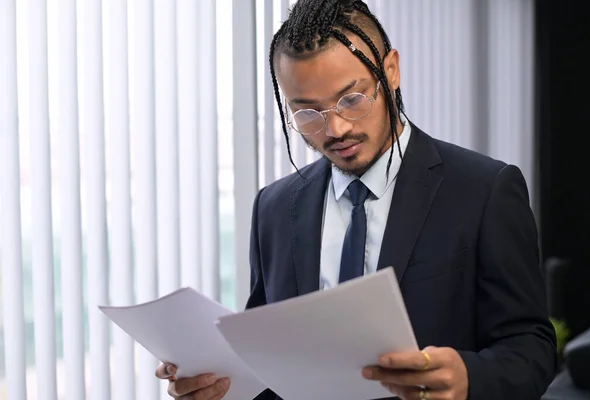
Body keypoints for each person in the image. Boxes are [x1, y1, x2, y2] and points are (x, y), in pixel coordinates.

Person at [155, 0, 557, 399]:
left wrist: (470, 377)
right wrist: (219, 386)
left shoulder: (484, 190)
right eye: (307, 113)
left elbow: (532, 350)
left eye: (351, 99)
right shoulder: (273, 209)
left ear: (392, 71)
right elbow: (270, 366)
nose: (335, 129)